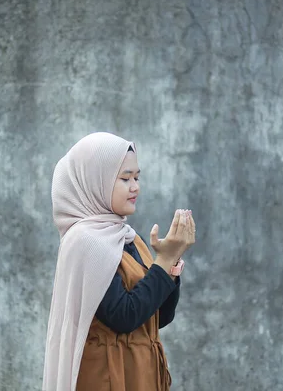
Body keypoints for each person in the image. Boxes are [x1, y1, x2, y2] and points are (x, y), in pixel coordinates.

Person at [42, 132, 196, 391]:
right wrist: (164, 261)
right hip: (108, 378)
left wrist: (171, 263)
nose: (135, 186)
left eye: (137, 177)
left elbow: (159, 316)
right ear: (95, 181)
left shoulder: (128, 238)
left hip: (140, 374)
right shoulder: (85, 241)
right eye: (125, 178)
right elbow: (123, 316)